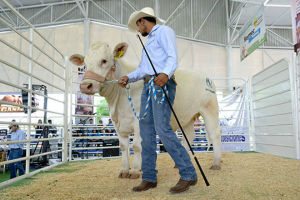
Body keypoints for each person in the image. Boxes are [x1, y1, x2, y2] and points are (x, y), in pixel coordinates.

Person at [119, 7, 197, 193]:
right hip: (148, 85)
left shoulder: (164, 31)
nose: (138, 30)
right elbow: (142, 70)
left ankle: (188, 173)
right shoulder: (148, 43)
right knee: (145, 133)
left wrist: (165, 74)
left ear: (142, 21)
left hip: (161, 84)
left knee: (163, 129)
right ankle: (149, 177)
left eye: (138, 26)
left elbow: (172, 57)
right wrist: (128, 78)